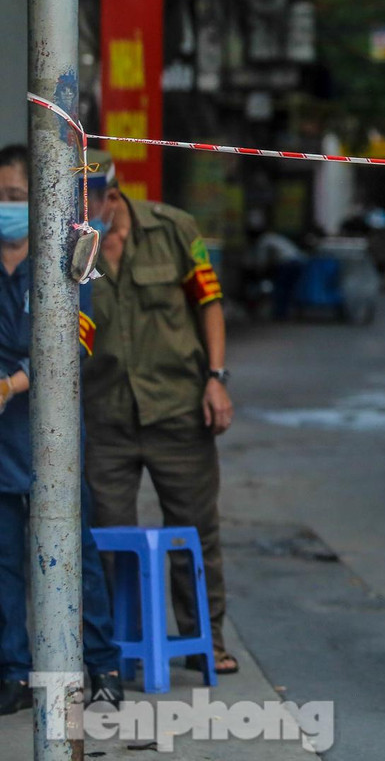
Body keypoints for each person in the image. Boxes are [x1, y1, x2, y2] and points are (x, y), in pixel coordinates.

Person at [82, 151, 239, 675]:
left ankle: (204, 643)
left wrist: (215, 380)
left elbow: (209, 303)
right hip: (104, 415)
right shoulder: (72, 241)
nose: (84, 207)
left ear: (113, 191)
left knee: (195, 535)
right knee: (104, 536)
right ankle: (109, 653)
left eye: (92, 195)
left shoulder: (174, 228)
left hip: (177, 408)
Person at [0, 144, 123, 714]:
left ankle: (101, 664)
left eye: (18, 197)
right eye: (0, 197)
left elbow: (75, 339)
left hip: (51, 437)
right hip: (2, 442)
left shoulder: (70, 255)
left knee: (75, 551)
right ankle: (14, 671)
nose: (7, 207)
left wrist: (11, 383)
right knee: (4, 560)